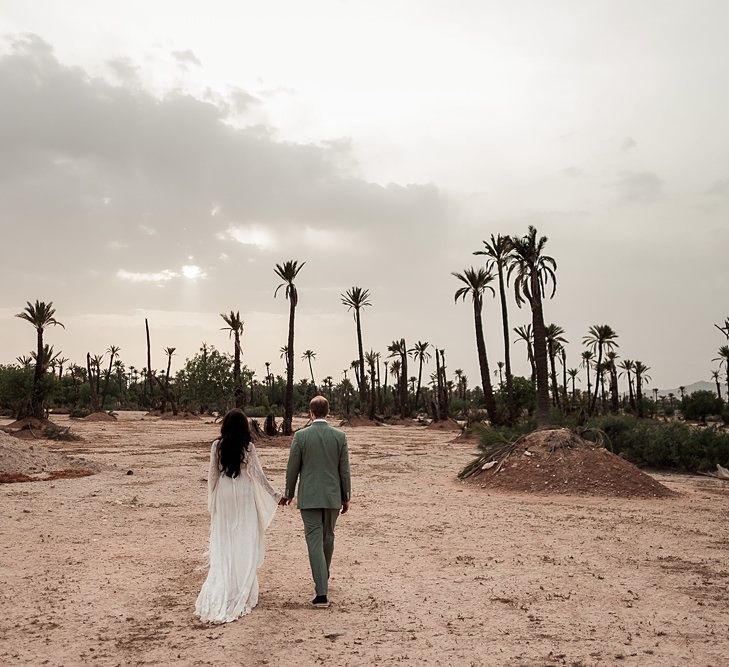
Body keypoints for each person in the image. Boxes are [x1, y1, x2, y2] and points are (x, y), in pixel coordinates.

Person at [195, 408, 282, 623]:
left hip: (223, 493)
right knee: (245, 538)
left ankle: (226, 582)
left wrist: (213, 503)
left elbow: (212, 475)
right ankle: (242, 582)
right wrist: (275, 495)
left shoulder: (217, 446)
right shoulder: (248, 447)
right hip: (243, 493)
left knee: (225, 539)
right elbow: (258, 476)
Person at [280, 395, 351, 608]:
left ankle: (321, 592)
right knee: (328, 537)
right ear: (327, 412)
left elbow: (292, 467)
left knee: (314, 540)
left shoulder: (301, 437)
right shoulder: (340, 436)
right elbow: (344, 470)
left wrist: (289, 492)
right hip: (332, 496)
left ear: (311, 413)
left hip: (309, 496)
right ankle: (323, 578)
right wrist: (346, 496)